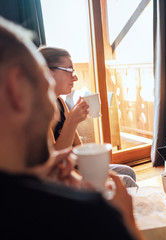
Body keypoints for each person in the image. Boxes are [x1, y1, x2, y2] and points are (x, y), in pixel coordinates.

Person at [0, 17, 144, 239]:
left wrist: (46, 169)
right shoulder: (85, 214)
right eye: (46, 86)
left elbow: (75, 149)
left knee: (126, 172)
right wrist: (127, 221)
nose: (53, 109)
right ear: (16, 88)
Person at [38, 46, 137, 187]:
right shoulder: (39, 110)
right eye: (69, 70)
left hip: (75, 168)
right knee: (127, 181)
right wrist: (72, 121)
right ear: (48, 73)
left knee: (128, 171)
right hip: (60, 177)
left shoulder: (59, 102)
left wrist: (96, 167)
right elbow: (53, 160)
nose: (75, 77)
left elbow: (78, 148)